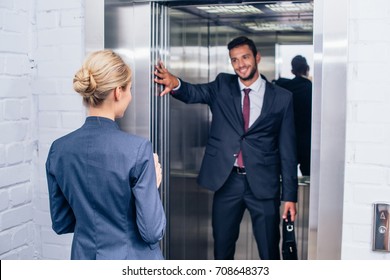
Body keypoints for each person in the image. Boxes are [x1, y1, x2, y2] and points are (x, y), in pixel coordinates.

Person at [154, 36, 298, 260]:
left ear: (257, 57)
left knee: (269, 250)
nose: (240, 64)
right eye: (234, 60)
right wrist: (176, 83)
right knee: (222, 248)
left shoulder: (282, 98)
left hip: (264, 184)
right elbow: (194, 92)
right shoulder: (222, 85)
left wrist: (290, 196)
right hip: (228, 181)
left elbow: (288, 150)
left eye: (245, 57)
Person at [46, 50, 166, 260]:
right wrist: (150, 188)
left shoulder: (59, 149)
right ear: (118, 91)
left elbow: (62, 222)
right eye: (129, 89)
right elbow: (153, 231)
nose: (129, 96)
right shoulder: (138, 149)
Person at [276, 55, 312, 176]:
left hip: (287, 141)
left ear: (292, 71)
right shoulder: (312, 88)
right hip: (307, 142)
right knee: (308, 178)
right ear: (307, 68)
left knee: (285, 178)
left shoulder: (284, 87)